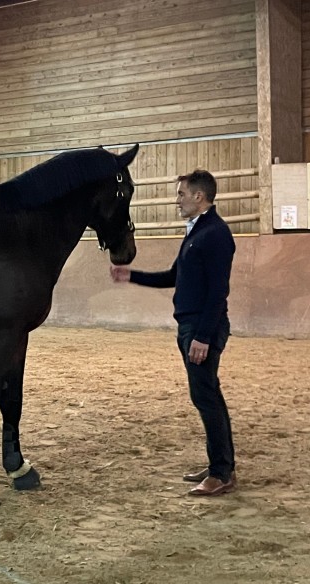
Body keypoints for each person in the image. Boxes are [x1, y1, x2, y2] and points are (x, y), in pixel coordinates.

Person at [110, 169, 237, 496]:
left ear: (199, 196)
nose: (176, 200)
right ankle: (220, 465)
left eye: (181, 194)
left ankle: (221, 472)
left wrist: (203, 337)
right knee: (209, 396)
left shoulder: (216, 234)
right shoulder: (197, 232)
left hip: (200, 328)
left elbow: (217, 293)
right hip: (191, 325)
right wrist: (131, 275)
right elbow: (174, 276)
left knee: (205, 398)